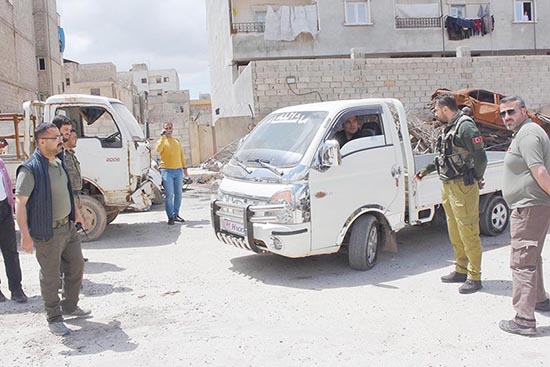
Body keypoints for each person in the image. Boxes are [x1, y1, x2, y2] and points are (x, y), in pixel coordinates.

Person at [15, 122, 91, 336]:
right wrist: (25, 236)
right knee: (50, 276)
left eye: (60, 136)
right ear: (41, 142)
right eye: (55, 137)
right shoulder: (30, 169)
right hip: (46, 232)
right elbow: (20, 203)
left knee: (76, 267)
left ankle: (69, 306)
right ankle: (54, 317)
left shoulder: (58, 161)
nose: (61, 140)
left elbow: (67, 191)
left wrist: (75, 212)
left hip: (67, 228)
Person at [415, 93, 487, 294]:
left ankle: (475, 275)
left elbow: (481, 156)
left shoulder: (465, 126)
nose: (435, 113)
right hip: (448, 184)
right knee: (455, 229)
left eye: (436, 110)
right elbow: (445, 156)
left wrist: (476, 176)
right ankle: (461, 269)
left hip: (462, 185)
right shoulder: (451, 126)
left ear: (445, 109)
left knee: (468, 230)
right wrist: (426, 170)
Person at [498, 96, 550, 336]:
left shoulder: (528, 135)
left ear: (524, 111)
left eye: (511, 112)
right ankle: (539, 300)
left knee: (522, 262)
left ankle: (524, 320)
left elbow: (539, 170)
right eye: (503, 113)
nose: (506, 117)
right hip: (532, 206)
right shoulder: (525, 133)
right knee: (532, 256)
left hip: (528, 207)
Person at [0, 157, 27, 303]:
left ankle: (16, 289)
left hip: (4, 208)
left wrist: (11, 207)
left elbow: (7, 185)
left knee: (11, 252)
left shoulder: (1, 163)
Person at [155, 122, 188, 225]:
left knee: (178, 194)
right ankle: (170, 216)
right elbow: (158, 150)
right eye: (166, 128)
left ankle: (176, 214)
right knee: (169, 195)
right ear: (163, 129)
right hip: (166, 171)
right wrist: (163, 137)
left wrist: (185, 168)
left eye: (170, 128)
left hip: (178, 170)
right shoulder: (162, 141)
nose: (169, 130)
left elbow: (181, 155)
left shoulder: (176, 141)